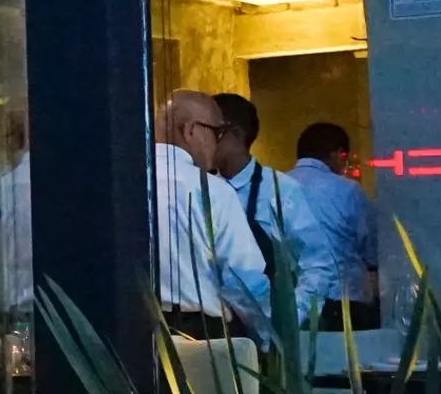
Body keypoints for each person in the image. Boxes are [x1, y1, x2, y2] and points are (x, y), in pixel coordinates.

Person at [154, 91, 273, 346]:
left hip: (129, 335)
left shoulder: (123, 184)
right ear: (190, 130)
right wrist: (265, 341)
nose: (216, 145)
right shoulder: (211, 191)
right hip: (200, 336)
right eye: (215, 133)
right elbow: (243, 281)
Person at [211, 93, 336, 330]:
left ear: (236, 134)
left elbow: (318, 263)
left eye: (212, 132)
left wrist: (289, 318)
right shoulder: (200, 189)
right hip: (213, 334)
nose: (203, 141)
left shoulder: (280, 190)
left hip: (268, 339)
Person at [289, 122, 381, 330]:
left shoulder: (276, 186)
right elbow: (372, 249)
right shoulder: (347, 190)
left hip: (294, 303)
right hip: (346, 303)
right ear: (339, 154)